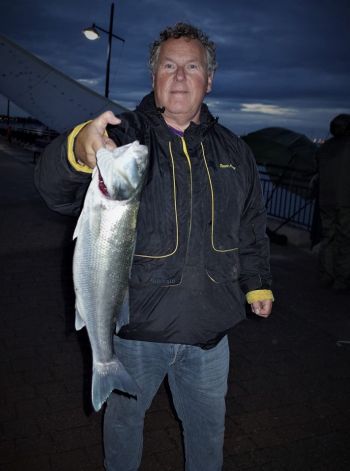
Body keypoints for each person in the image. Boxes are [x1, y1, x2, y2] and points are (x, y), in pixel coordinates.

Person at [35, 22, 273, 471]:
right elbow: (53, 189)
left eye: (191, 66)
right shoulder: (126, 137)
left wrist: (257, 284)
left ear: (209, 79)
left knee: (207, 434)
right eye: (169, 66)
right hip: (136, 333)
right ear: (154, 78)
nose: (180, 77)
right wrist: (78, 148)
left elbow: (251, 226)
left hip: (209, 336)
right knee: (124, 429)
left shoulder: (235, 151)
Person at [316, 113, 350, 292]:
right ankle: (341, 278)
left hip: (325, 200)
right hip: (345, 201)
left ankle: (326, 275)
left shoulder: (324, 148)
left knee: (328, 238)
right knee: (344, 240)